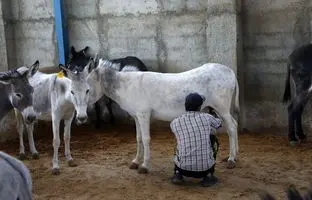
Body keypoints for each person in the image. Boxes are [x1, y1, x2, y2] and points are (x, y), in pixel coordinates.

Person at [170, 92, 222, 187]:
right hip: (204, 169)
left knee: (179, 142)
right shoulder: (207, 117)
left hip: (183, 168)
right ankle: (208, 175)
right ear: (199, 107)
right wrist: (214, 113)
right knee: (212, 136)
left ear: (185, 105)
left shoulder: (175, 122)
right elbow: (219, 124)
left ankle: (178, 174)